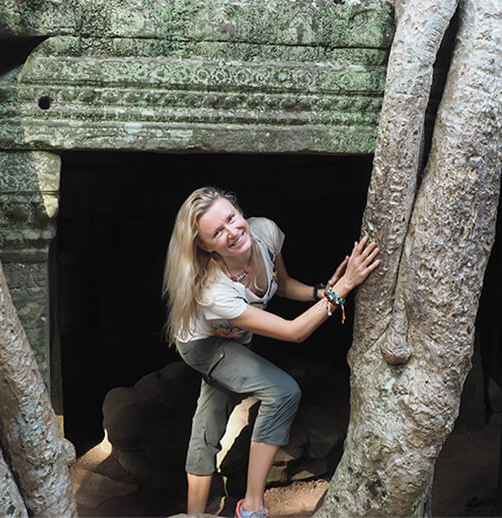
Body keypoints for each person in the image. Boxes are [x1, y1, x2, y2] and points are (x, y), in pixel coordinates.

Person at [162, 186, 379, 518]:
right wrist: (343, 289)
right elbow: (294, 333)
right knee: (283, 391)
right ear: (205, 247)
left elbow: (284, 284)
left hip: (236, 337)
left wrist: (322, 292)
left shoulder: (265, 233)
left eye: (232, 218)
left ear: (239, 210)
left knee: (210, 418)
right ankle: (251, 507)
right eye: (218, 232)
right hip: (202, 346)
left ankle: (195, 515)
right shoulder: (213, 290)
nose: (233, 232)